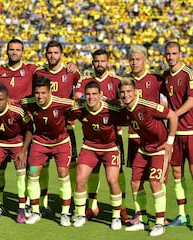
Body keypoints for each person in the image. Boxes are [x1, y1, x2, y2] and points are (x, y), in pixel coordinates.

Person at [119, 78, 178, 237]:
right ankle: (142, 219)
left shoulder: (147, 106)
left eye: (129, 91)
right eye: (123, 92)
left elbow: (172, 116)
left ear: (136, 92)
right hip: (144, 149)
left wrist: (170, 142)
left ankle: (160, 223)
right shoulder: (126, 109)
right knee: (135, 183)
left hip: (160, 149)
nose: (126, 95)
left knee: (154, 183)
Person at [73, 49, 127, 222]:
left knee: (117, 175)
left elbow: (124, 102)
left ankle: (122, 209)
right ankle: (91, 206)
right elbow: (77, 97)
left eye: (103, 61)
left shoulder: (116, 81)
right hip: (91, 135)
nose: (99, 64)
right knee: (91, 172)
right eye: (96, 61)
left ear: (108, 62)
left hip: (114, 136)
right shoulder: (86, 81)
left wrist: (108, 102)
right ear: (92, 62)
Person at [162, 41, 193, 231]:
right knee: (177, 174)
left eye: (174, 53)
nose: (171, 57)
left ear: (180, 54)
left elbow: (192, 100)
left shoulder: (189, 73)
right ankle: (181, 214)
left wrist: (174, 114)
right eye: (168, 54)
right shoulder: (164, 76)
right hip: (174, 133)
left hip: (192, 132)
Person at [0, 38, 37, 211]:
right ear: (7, 51)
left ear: (22, 52)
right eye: (11, 49)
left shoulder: (32, 70)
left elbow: (51, 72)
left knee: (26, 166)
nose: (14, 52)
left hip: (25, 126)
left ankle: (30, 204)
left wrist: (70, 65)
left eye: (18, 49)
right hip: (2, 127)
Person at [33, 40, 81, 214]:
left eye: (55, 53)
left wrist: (77, 97)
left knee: (69, 167)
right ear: (46, 54)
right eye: (49, 53)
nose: (52, 56)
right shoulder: (38, 72)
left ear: (61, 54)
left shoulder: (70, 72)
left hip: (66, 128)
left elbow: (80, 86)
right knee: (40, 167)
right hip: (43, 131)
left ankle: (75, 200)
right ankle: (42, 202)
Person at [70, 81, 124, 230]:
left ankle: (116, 217)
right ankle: (80, 214)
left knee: (112, 180)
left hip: (110, 148)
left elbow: (129, 112)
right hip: (89, 147)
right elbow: (63, 110)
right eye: (88, 94)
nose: (91, 97)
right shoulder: (79, 109)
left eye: (94, 94)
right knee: (80, 179)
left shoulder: (111, 109)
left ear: (101, 95)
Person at [20, 76, 73, 226]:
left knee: (63, 174)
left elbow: (77, 107)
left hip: (61, 143)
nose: (40, 96)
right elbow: (17, 106)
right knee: (33, 173)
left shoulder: (62, 103)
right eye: (37, 93)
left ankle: (65, 213)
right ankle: (36, 211)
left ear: (50, 92)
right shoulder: (28, 103)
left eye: (43, 92)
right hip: (40, 143)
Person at [122, 45, 164, 226]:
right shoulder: (125, 82)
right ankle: (142, 216)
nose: (134, 62)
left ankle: (164, 217)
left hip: (155, 139)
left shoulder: (156, 79)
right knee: (137, 180)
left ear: (145, 60)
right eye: (131, 59)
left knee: (156, 180)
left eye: (137, 59)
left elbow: (176, 99)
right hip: (134, 138)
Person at [0, 84, 33, 223]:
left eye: (1, 99)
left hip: (17, 143)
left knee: (21, 173)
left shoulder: (17, 110)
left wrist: (23, 151)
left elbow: (29, 129)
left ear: (7, 99)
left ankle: (21, 209)